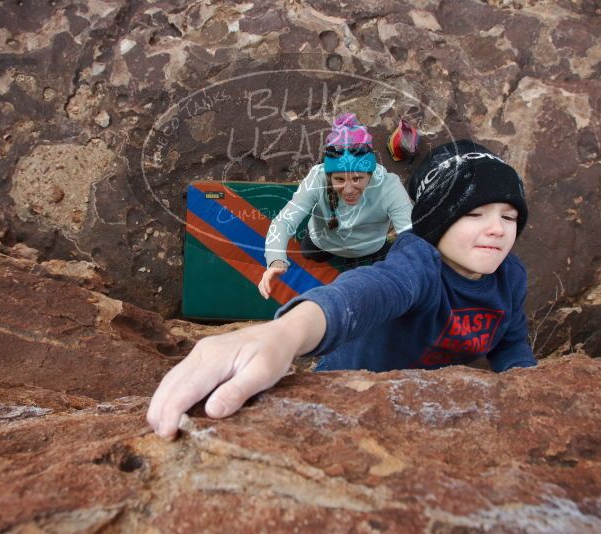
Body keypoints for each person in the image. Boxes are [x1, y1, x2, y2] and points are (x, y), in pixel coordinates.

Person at [149, 139, 537, 440]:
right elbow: (364, 292)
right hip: (351, 393)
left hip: (430, 409)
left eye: (509, 216)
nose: (497, 229)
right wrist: (284, 334)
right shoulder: (417, 265)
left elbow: (511, 341)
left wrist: (527, 393)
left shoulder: (511, 275)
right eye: (474, 214)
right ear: (436, 222)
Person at [259, 113, 413, 299]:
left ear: (370, 174)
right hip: (323, 242)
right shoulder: (318, 177)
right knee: (310, 253)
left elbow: (410, 231)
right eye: (339, 179)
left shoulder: (388, 185)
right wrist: (276, 260)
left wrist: (410, 267)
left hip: (369, 247)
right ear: (329, 175)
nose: (348, 190)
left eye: (357, 179)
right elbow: (284, 222)